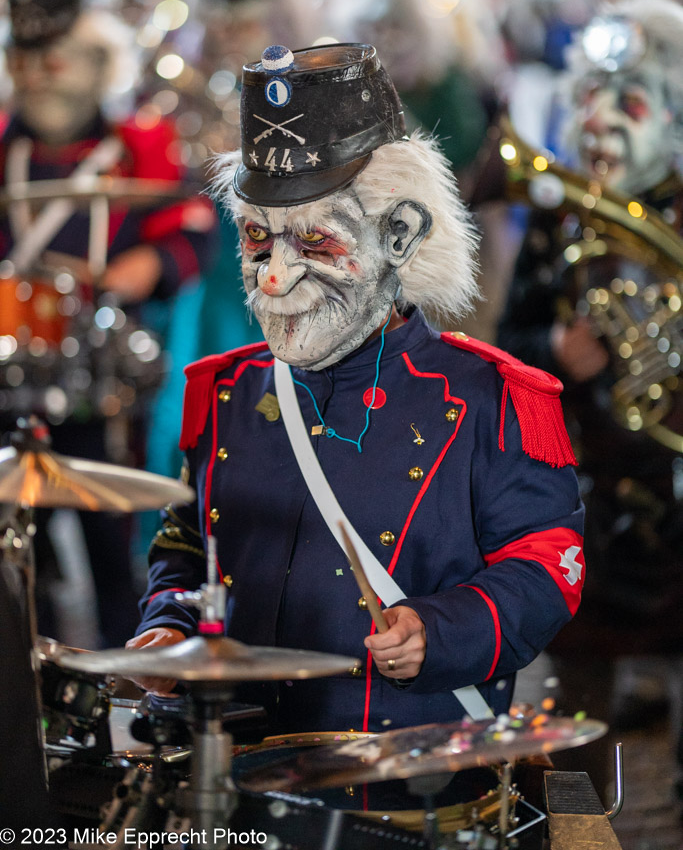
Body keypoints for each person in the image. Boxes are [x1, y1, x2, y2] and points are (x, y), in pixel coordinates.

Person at [130, 42, 584, 739]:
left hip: (407, 782)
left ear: (398, 236)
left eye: (313, 243)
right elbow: (188, 543)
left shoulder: (491, 398)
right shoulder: (226, 393)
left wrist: (439, 631)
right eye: (257, 240)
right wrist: (168, 623)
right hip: (236, 774)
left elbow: (547, 562)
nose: (273, 278)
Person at [0, 0, 217, 647]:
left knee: (109, 538)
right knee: (18, 544)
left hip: (102, 373)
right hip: (12, 374)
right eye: (22, 59)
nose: (37, 76)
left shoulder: (139, 145)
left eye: (52, 59)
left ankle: (124, 671)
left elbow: (191, 234)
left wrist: (149, 262)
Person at [496, 0, 683, 791]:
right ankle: (576, 825)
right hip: (589, 489)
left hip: (674, 485)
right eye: (587, 101)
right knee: (577, 705)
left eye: (627, 104)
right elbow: (510, 336)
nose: (601, 122)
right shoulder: (556, 214)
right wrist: (551, 349)